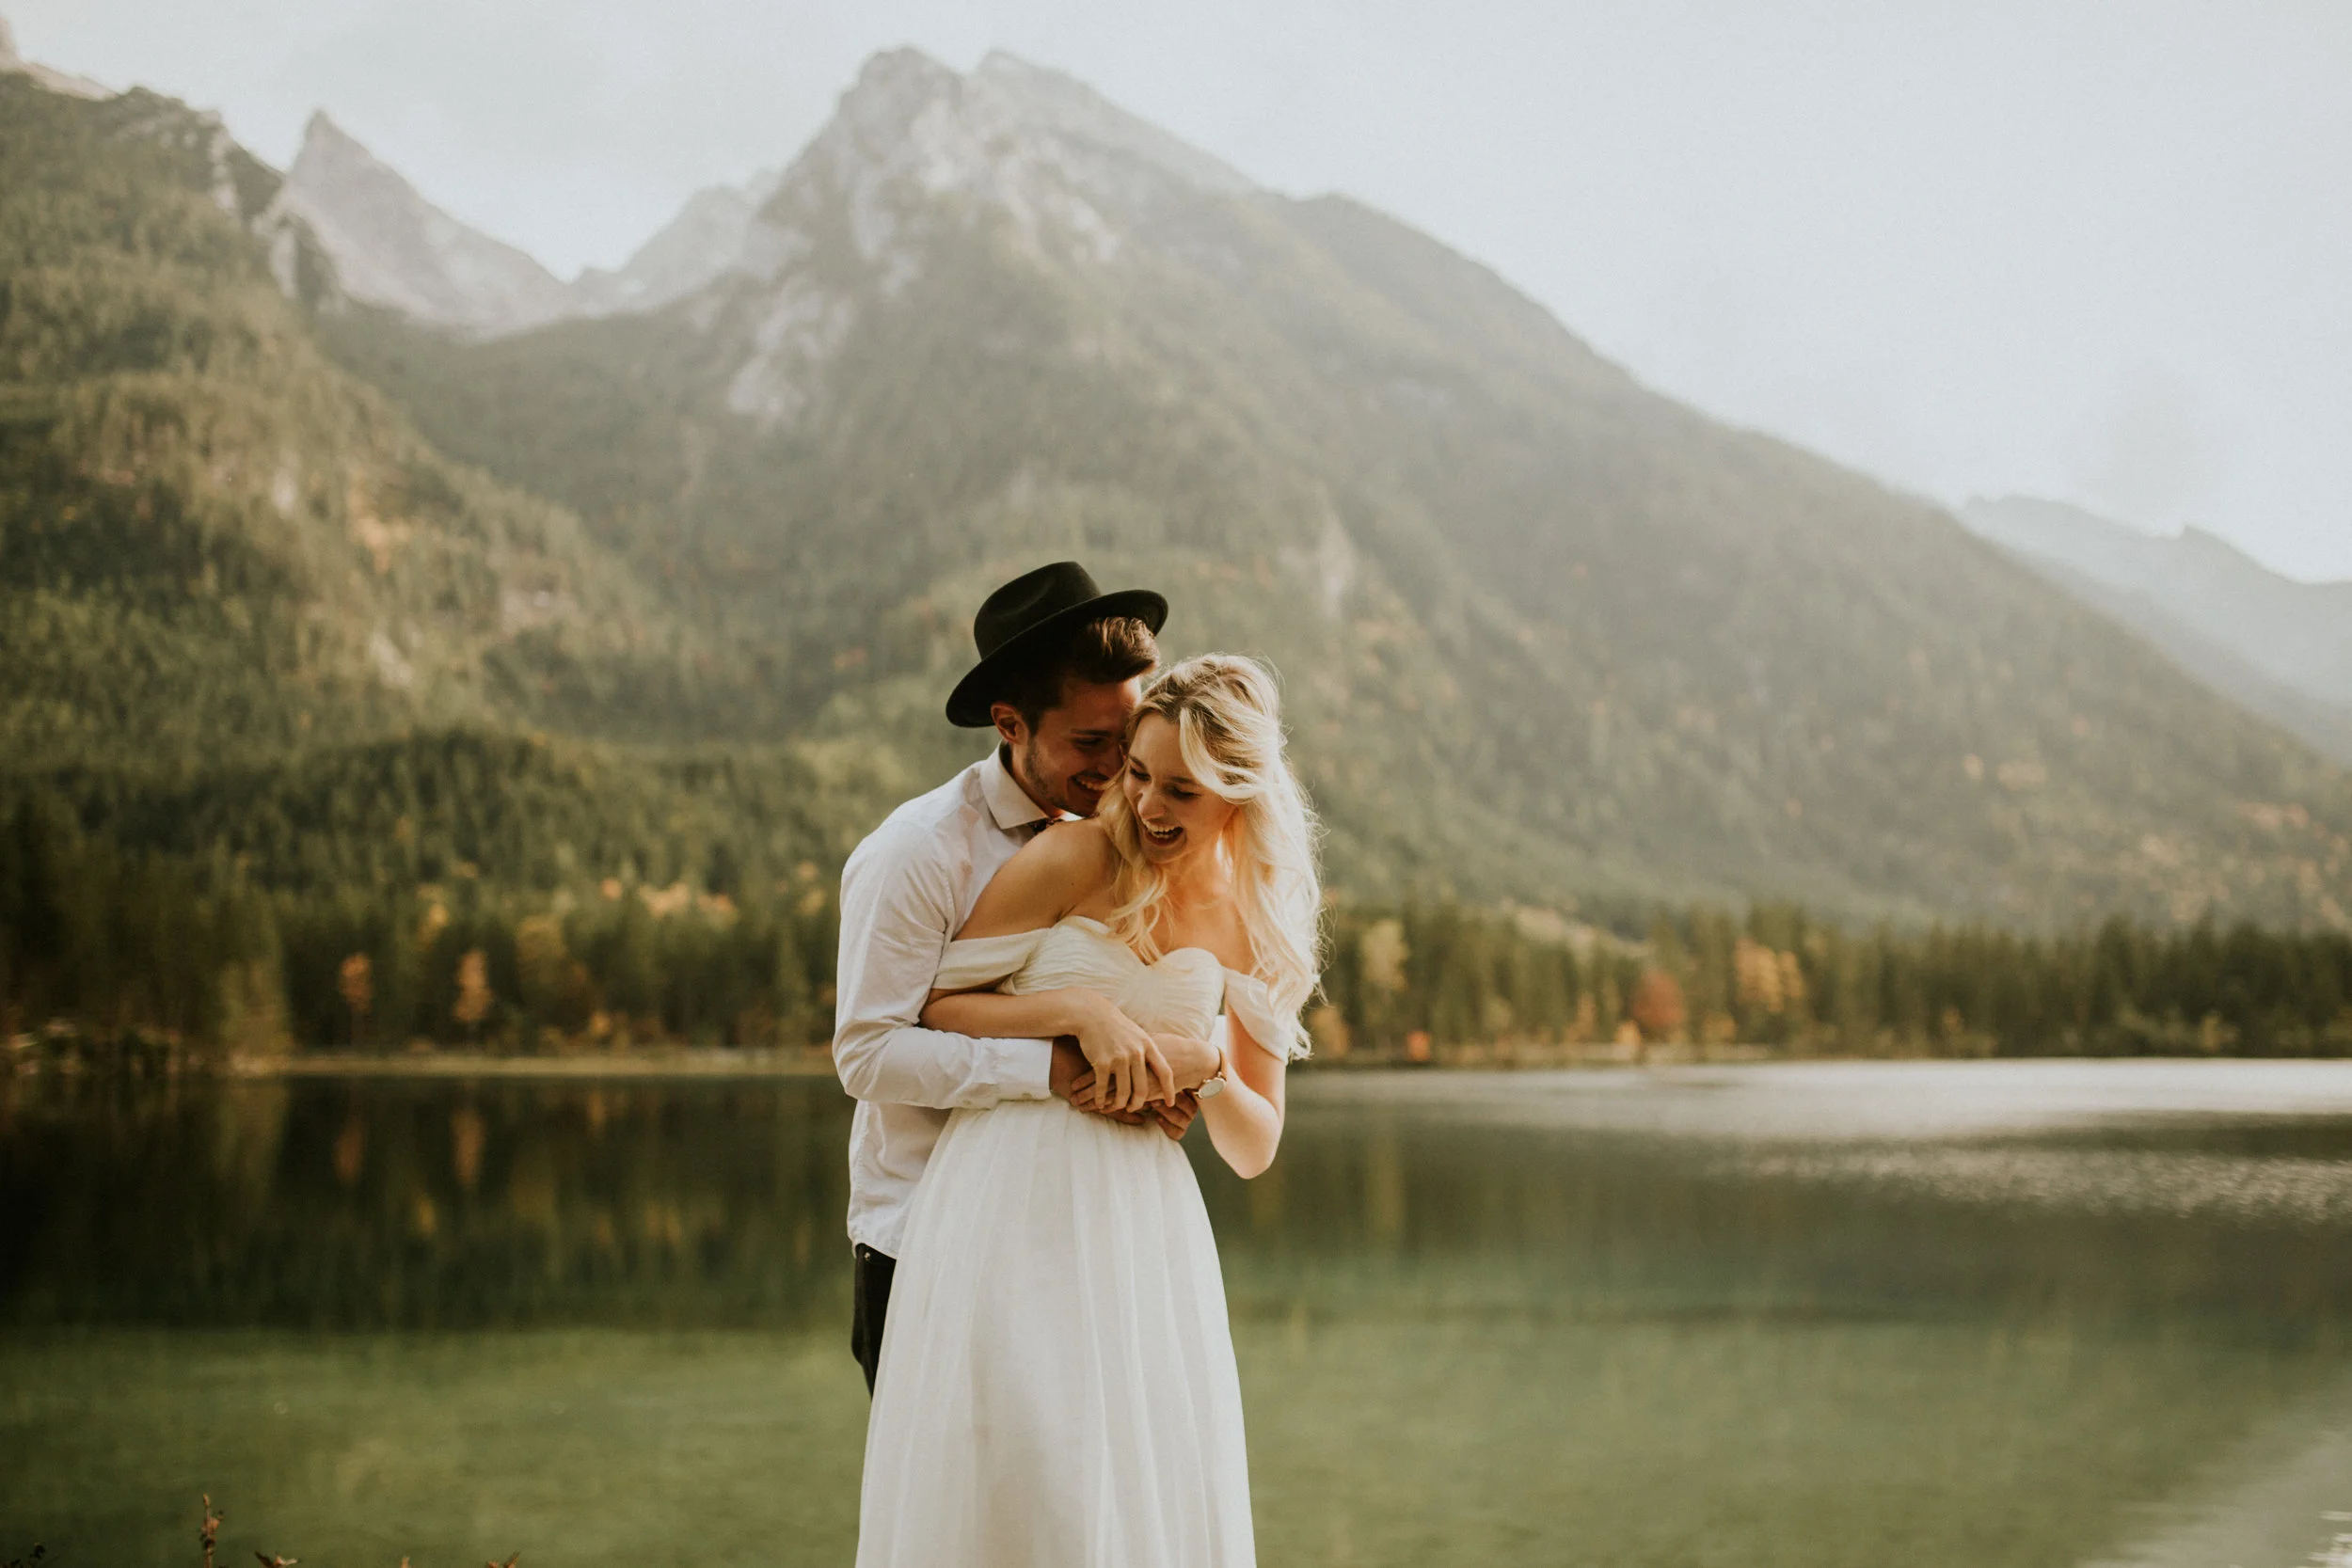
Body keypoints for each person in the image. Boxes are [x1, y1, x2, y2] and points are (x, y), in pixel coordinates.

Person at [855, 653, 1319, 1568]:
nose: (1146, 803)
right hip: (1005, 1197)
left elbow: (1255, 1145)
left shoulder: (1256, 924)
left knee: (1130, 1487)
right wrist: (1079, 1011)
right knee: (1029, 1474)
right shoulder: (1073, 853)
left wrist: (1210, 1061)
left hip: (1143, 1227)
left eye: (1181, 789)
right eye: (1139, 772)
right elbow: (940, 1005)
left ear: (1238, 793)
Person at [831, 561, 1220, 1395]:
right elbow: (867, 1054)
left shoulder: (1131, 841)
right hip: (929, 1236)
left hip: (1084, 1244)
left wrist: (1169, 1073)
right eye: (1092, 742)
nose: (1122, 766)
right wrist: (1057, 1060)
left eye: (1132, 734)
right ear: (1009, 723)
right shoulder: (916, 853)